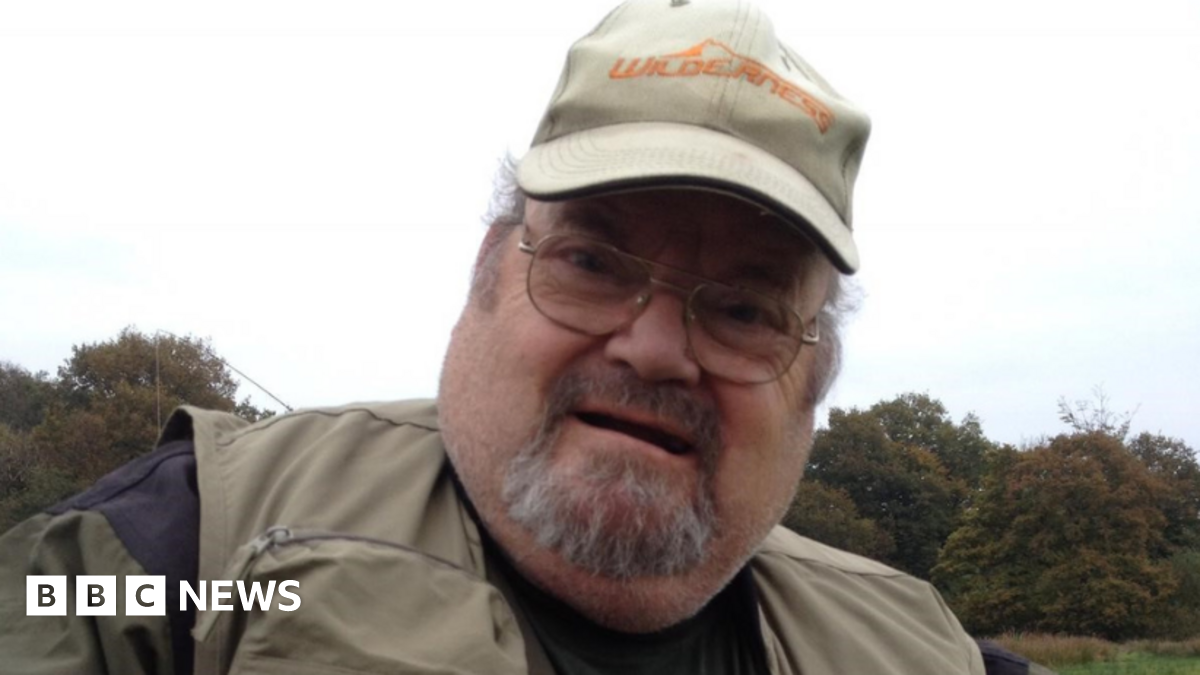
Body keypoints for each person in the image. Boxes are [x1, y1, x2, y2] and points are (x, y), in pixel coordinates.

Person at [0, 1, 1046, 673]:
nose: (651, 348)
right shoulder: (183, 550)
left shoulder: (923, 653)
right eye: (593, 263)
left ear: (816, 373)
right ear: (490, 273)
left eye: (741, 308)